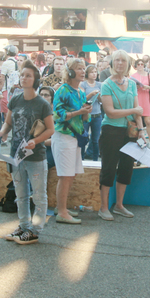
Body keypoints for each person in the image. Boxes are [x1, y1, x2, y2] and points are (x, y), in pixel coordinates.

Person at [0, 61, 55, 244]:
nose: (24, 78)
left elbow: (50, 130)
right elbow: (8, 122)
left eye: (28, 75)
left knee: (38, 194)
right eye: (22, 75)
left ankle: (35, 230)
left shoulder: (42, 104)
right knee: (20, 194)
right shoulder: (15, 99)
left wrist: (35, 141)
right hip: (17, 154)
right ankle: (23, 226)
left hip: (35, 155)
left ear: (35, 79)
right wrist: (2, 132)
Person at [98, 50, 148, 220]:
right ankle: (104, 207)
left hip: (130, 132)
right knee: (109, 168)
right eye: (117, 60)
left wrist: (141, 131)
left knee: (126, 168)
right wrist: (134, 110)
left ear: (128, 64)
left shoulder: (132, 84)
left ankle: (119, 205)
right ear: (112, 63)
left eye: (123, 61)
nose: (120, 63)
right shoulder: (106, 84)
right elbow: (110, 112)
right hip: (111, 131)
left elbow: (138, 113)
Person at [51, 58, 91, 224]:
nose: (83, 71)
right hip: (63, 137)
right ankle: (61, 212)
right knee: (65, 176)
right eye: (79, 69)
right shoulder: (63, 90)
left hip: (74, 138)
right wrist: (79, 112)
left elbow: (84, 117)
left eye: (84, 68)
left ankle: (62, 207)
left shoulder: (80, 92)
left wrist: (86, 111)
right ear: (71, 72)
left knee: (71, 174)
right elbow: (58, 115)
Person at [131, 58, 150, 149]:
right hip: (137, 98)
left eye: (142, 64)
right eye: (138, 64)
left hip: (146, 99)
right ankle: (141, 142)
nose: (140, 66)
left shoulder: (149, 75)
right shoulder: (133, 76)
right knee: (138, 122)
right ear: (136, 66)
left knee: (148, 121)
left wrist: (147, 87)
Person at [80, 64, 102, 160]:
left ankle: (95, 160)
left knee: (96, 140)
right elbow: (82, 99)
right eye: (92, 72)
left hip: (97, 115)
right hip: (86, 115)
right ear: (87, 74)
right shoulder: (83, 84)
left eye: (95, 72)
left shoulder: (100, 85)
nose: (94, 74)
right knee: (83, 138)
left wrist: (99, 96)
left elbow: (102, 101)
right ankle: (81, 159)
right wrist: (91, 94)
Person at [39, 86, 57, 169]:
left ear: (52, 98)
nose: (43, 97)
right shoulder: (36, 112)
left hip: (52, 148)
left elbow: (58, 139)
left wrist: (40, 141)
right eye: (41, 95)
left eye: (46, 95)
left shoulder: (57, 114)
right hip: (36, 147)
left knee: (42, 164)